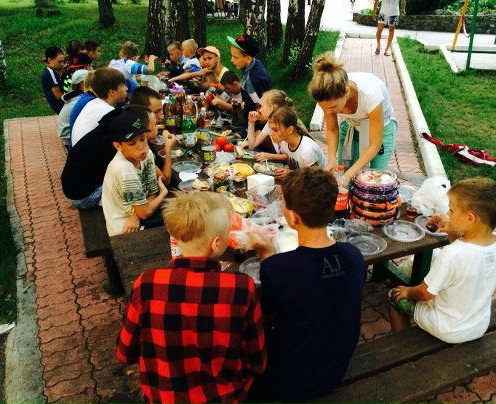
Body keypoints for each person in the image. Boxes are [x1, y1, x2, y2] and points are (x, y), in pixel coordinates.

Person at [116, 191, 266, 404]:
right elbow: (257, 363)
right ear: (216, 244)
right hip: (225, 398)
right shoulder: (241, 288)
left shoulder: (147, 283)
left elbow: (124, 353)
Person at [249, 167, 367, 402]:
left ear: (294, 218)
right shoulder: (353, 255)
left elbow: (268, 319)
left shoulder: (277, 268)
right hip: (335, 372)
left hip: (285, 382)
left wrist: (268, 256)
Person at [388, 178, 496, 344]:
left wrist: (407, 291)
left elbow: (424, 294)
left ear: (470, 218)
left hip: (447, 328)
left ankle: (403, 346)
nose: (448, 214)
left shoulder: (452, 254)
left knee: (394, 296)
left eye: (451, 210)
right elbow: (470, 261)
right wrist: (453, 233)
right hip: (477, 325)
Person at [308, 52, 397, 181]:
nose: (328, 112)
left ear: (346, 92)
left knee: (371, 180)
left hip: (381, 129)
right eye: (324, 107)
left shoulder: (371, 94)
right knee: (344, 173)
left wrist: (349, 174)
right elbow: (332, 129)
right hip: (352, 125)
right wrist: (331, 159)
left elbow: (374, 145)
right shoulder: (327, 97)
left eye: (332, 107)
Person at [102, 110, 174, 236]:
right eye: (132, 143)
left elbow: (152, 191)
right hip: (125, 228)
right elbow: (145, 213)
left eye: (142, 139)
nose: (141, 147)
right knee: (181, 220)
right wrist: (163, 193)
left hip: (140, 216)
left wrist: (137, 214)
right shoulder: (124, 168)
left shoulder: (146, 154)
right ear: (118, 146)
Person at [264, 107, 327, 180]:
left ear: (290, 130)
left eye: (275, 130)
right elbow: (292, 163)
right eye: (270, 129)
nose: (270, 133)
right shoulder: (284, 143)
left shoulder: (307, 151)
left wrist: (291, 173)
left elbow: (314, 177)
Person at [71, 68, 128, 147]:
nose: (126, 88)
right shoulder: (107, 112)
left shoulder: (94, 103)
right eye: (123, 85)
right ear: (112, 92)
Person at [227, 34, 271, 126]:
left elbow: (259, 106)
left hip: (254, 122)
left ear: (248, 59)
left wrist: (255, 128)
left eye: (235, 57)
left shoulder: (251, 80)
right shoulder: (255, 63)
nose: (231, 60)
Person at [247, 89, 293, 161]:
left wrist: (271, 156)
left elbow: (292, 155)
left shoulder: (285, 125)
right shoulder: (269, 123)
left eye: (262, 106)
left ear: (271, 109)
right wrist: (251, 122)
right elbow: (252, 146)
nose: (259, 110)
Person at [57, 69, 88, 147]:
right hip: (70, 138)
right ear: (83, 84)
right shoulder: (80, 100)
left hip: (68, 135)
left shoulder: (75, 96)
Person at [41, 46, 65, 114]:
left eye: (63, 61)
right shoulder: (50, 73)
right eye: (59, 62)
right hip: (61, 107)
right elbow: (58, 95)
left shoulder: (50, 72)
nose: (62, 64)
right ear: (49, 60)